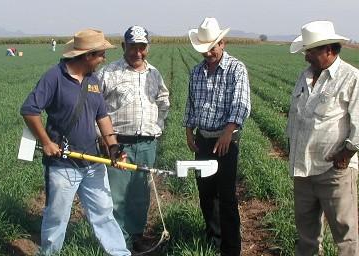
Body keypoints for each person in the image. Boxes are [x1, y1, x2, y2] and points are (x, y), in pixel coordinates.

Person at [20, 29, 130, 256]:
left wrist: (113, 147)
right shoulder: (54, 77)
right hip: (62, 165)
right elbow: (29, 110)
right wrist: (47, 142)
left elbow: (102, 116)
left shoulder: (93, 80)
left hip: (92, 162)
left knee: (104, 212)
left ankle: (119, 253)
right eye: (101, 55)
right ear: (88, 56)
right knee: (57, 216)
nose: (103, 60)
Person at [285, 21, 359, 256]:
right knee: (307, 235)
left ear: (329, 49)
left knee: (344, 236)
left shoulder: (352, 78)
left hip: (333, 171)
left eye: (311, 51)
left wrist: (345, 156)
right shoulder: (304, 77)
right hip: (302, 170)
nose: (306, 56)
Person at [95, 25, 170, 252]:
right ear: (123, 46)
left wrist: (157, 126)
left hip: (147, 144)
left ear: (147, 47)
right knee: (116, 196)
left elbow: (163, 101)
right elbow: (94, 107)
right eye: (133, 47)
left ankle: (136, 235)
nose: (138, 52)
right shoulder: (108, 73)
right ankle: (118, 242)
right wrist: (103, 140)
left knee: (140, 195)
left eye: (142, 47)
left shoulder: (153, 74)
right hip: (118, 144)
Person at [183, 17, 250, 256]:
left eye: (213, 47)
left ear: (223, 43)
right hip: (203, 139)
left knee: (227, 196)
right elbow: (191, 103)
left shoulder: (236, 69)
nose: (209, 53)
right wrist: (189, 131)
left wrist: (228, 133)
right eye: (205, 49)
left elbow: (241, 104)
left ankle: (231, 248)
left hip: (226, 141)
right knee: (206, 192)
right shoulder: (196, 72)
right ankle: (213, 237)